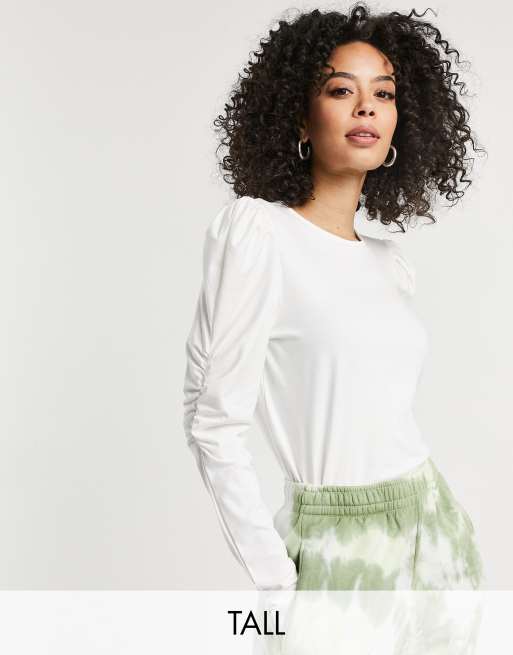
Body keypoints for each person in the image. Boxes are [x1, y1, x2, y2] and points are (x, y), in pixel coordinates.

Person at [182, 3, 486, 597]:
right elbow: (212, 422)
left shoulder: (389, 264)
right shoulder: (259, 234)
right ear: (300, 117)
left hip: (437, 536)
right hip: (335, 545)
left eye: (384, 93)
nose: (366, 106)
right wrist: (276, 578)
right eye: (341, 90)